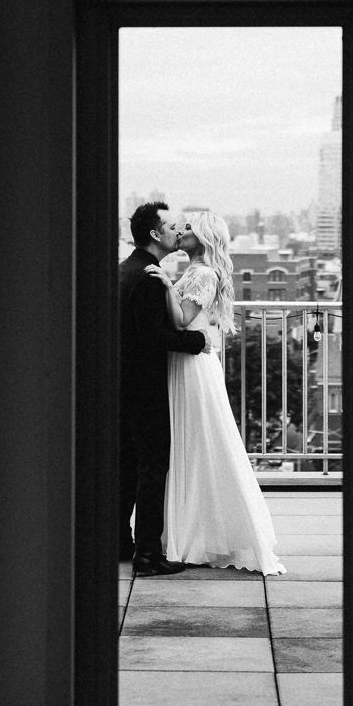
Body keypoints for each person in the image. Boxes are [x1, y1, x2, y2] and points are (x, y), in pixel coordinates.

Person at [158, 211, 285, 574]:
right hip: (186, 363)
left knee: (197, 444)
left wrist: (165, 284)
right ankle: (193, 530)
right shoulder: (195, 270)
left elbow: (182, 319)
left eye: (189, 229)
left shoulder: (201, 274)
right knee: (195, 446)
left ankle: (196, 533)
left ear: (203, 237)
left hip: (191, 368)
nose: (181, 232)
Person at [118, 201, 207, 577]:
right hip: (145, 386)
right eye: (171, 226)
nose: (177, 230)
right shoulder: (150, 279)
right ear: (155, 234)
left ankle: (120, 542)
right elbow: (155, 336)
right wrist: (198, 340)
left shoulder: (126, 270)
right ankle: (148, 555)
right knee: (153, 468)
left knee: (125, 465)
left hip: (121, 383)